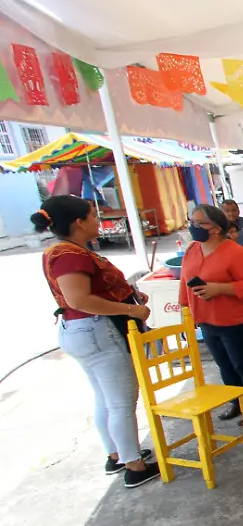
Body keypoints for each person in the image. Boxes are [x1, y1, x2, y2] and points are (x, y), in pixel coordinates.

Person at [34, 196, 160, 487]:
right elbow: (80, 299)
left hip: (82, 331)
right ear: (79, 222)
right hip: (97, 331)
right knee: (121, 402)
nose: (97, 220)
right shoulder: (70, 256)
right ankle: (134, 466)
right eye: (93, 215)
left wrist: (128, 295)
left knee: (105, 397)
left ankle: (117, 454)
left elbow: (96, 291)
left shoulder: (66, 251)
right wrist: (131, 309)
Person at [180, 205, 243, 425]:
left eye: (200, 223)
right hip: (206, 319)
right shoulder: (192, 249)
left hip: (234, 320)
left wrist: (219, 288)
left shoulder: (236, 253)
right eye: (192, 222)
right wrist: (185, 310)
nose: (194, 227)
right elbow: (184, 281)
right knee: (224, 366)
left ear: (216, 228)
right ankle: (236, 402)